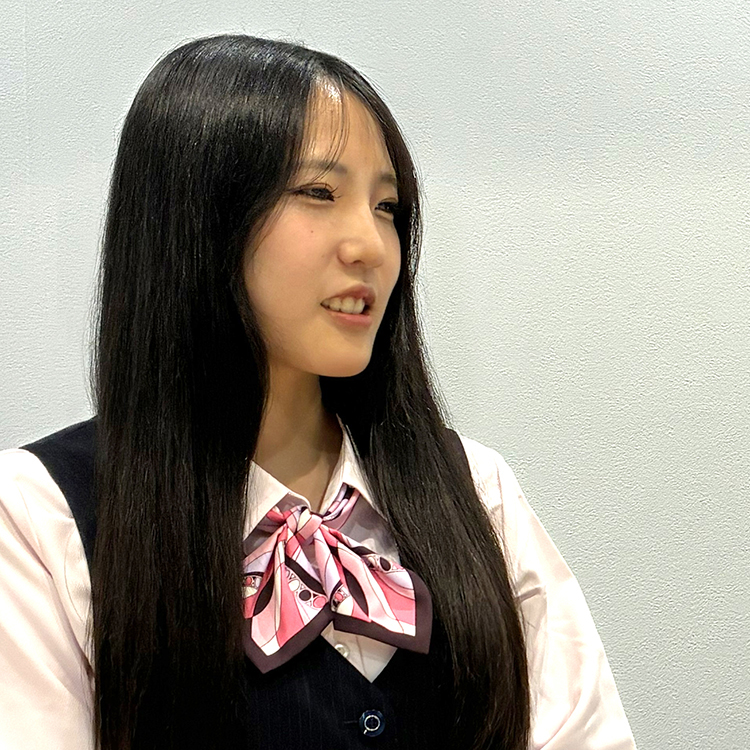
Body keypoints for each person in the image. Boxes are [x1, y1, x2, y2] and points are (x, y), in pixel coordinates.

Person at [0, 34, 637, 750]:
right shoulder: (40, 516)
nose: (371, 245)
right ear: (196, 217)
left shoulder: (475, 490)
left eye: (388, 207)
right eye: (319, 193)